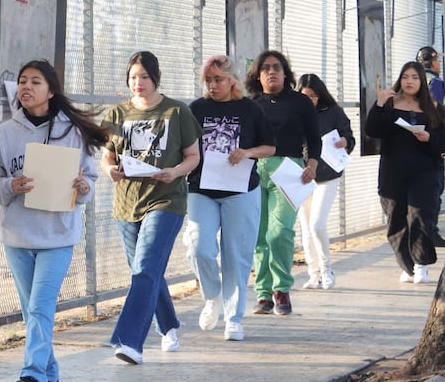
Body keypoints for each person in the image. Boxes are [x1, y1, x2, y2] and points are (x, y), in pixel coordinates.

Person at [0, 59, 106, 382]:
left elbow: (91, 185)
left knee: (40, 307)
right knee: (33, 313)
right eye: (22, 81)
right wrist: (12, 185)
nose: (26, 87)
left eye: (35, 82)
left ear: (51, 91)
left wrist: (83, 186)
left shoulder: (73, 132)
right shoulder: (6, 134)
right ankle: (51, 375)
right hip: (18, 238)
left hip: (58, 237)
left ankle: (32, 376)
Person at [101, 51, 200, 364]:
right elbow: (108, 156)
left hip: (166, 199)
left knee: (144, 269)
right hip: (127, 204)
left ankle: (129, 341)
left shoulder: (177, 112)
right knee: (145, 272)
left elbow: (193, 156)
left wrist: (174, 172)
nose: (138, 83)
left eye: (144, 76)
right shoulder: (117, 114)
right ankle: (168, 325)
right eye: (132, 77)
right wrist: (110, 170)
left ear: (156, 77)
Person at [185, 56, 275, 342]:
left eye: (218, 80)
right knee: (198, 247)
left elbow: (270, 147)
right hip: (202, 188)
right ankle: (211, 296)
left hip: (241, 190)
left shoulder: (250, 109)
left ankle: (234, 318)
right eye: (208, 80)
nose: (212, 85)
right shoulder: (196, 109)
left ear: (232, 80)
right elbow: (184, 147)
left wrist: (247, 152)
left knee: (236, 255)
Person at [244, 51, 320, 316]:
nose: (271, 72)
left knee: (279, 232)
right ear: (257, 74)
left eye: (277, 67)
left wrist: (312, 164)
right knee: (259, 233)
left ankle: (282, 288)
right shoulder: (250, 103)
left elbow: (314, 137)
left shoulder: (299, 102)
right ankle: (263, 294)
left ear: (285, 72)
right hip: (254, 170)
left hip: (289, 170)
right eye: (265, 68)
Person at [364, 61, 444, 284]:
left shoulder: (434, 108)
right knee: (396, 219)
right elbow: (372, 130)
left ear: (422, 82)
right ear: (401, 79)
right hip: (393, 170)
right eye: (406, 77)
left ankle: (420, 264)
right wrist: (379, 104)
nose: (410, 81)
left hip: (426, 171)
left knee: (420, 215)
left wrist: (430, 138)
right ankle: (407, 265)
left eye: (415, 77)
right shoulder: (389, 104)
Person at [296, 74, 355, 290]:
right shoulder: (295, 113)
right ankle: (313, 273)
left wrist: (345, 141)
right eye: (305, 96)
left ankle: (326, 268)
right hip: (302, 175)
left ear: (320, 95)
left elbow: (349, 135)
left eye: (313, 96)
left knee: (317, 224)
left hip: (327, 173)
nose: (309, 100)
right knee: (305, 225)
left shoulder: (333, 112)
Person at [415, 46, 445, 247]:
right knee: (434, 190)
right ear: (433, 62)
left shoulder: (412, 81)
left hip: (413, 139)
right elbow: (436, 112)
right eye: (439, 61)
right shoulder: (435, 82)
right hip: (433, 141)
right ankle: (430, 232)